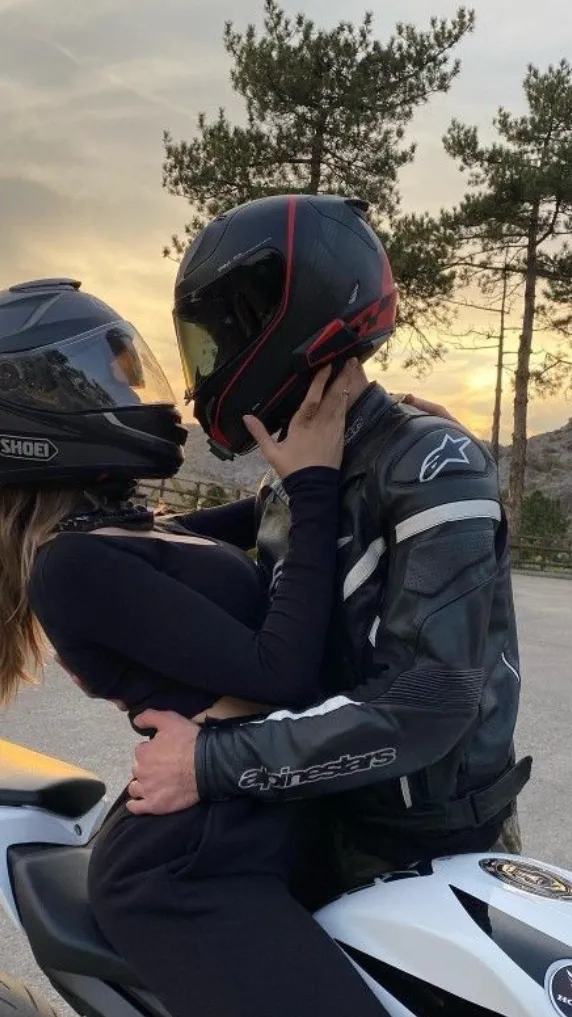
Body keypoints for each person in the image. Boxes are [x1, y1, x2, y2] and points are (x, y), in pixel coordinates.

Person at [0, 277, 390, 1017]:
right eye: (111, 377)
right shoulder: (73, 565)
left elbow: (272, 510)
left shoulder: (126, 529)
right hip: (190, 866)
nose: (135, 392)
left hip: (247, 813)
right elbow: (279, 669)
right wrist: (313, 485)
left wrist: (379, 432)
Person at [130, 194, 530, 891]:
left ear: (288, 325)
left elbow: (430, 700)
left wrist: (209, 762)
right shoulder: (302, 475)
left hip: (432, 848)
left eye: (220, 339)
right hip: (323, 814)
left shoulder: (433, 463)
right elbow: (174, 545)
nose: (209, 369)